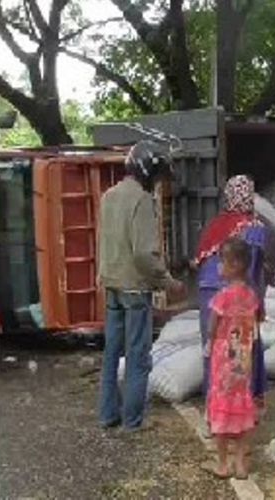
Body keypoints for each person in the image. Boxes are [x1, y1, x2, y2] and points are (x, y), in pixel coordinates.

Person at [98, 140, 186, 432]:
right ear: (148, 171)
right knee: (137, 357)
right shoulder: (142, 201)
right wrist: (167, 282)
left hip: (111, 285)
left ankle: (108, 415)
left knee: (111, 354)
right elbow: (143, 253)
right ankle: (132, 422)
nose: (158, 184)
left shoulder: (108, 196)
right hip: (136, 289)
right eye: (158, 177)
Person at [193, 175, 273, 409]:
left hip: (208, 293)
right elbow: (253, 270)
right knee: (244, 349)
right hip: (237, 296)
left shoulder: (215, 225)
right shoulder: (254, 227)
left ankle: (214, 406)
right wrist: (257, 303)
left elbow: (200, 264)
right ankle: (245, 403)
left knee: (214, 350)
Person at [203, 237, 260, 480]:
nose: (219, 267)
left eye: (222, 262)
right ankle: (240, 464)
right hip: (244, 356)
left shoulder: (222, 297)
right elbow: (255, 325)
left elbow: (212, 326)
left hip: (223, 357)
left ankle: (222, 464)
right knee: (243, 403)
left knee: (221, 407)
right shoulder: (251, 296)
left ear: (235, 265)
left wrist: (209, 343)